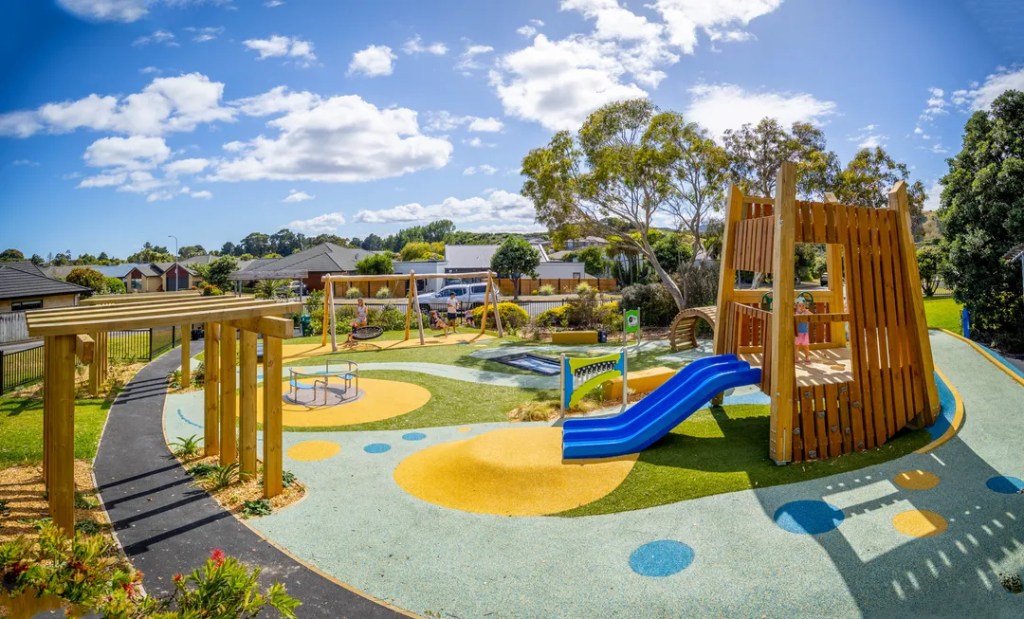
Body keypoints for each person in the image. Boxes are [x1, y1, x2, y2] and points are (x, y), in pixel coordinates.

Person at [795, 298, 812, 363]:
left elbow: (812, 315)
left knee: (806, 346)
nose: (801, 307)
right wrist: (799, 313)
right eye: (800, 305)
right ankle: (796, 358)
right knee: (797, 346)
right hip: (797, 333)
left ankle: (807, 357)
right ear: (796, 306)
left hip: (805, 332)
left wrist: (807, 311)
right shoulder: (796, 313)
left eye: (803, 305)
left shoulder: (805, 312)